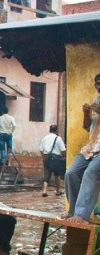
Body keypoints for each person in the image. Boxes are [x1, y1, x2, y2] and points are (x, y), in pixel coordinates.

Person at [64, 73, 100, 224]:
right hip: (92, 146)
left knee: (91, 173)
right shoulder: (96, 100)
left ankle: (82, 215)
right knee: (71, 173)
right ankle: (73, 211)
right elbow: (87, 126)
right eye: (97, 83)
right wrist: (86, 114)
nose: (99, 86)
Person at [39, 124, 66, 197]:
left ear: (49, 130)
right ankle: (57, 191)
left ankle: (44, 191)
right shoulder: (58, 138)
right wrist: (63, 156)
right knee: (57, 175)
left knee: (47, 174)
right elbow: (63, 150)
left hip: (47, 158)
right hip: (56, 158)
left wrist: (43, 157)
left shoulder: (44, 138)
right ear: (56, 130)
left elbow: (41, 149)